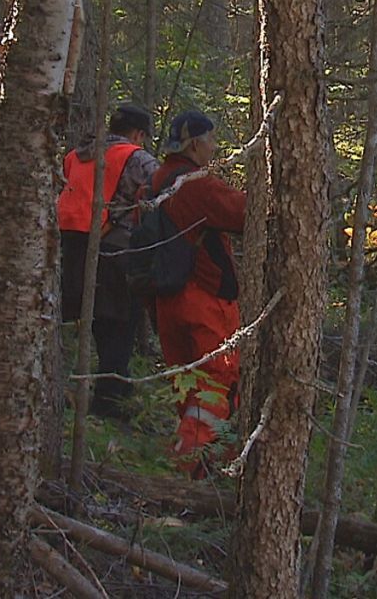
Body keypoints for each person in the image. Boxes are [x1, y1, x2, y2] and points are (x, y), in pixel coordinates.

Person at [149, 110, 246, 479]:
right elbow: (245, 211)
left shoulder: (158, 180)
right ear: (194, 144)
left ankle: (200, 466)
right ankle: (186, 478)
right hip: (203, 302)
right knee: (214, 387)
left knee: (189, 391)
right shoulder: (195, 185)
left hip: (166, 303)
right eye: (210, 141)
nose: (214, 148)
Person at [57, 103, 159, 417]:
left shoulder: (75, 155)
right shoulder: (137, 158)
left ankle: (95, 386)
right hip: (116, 249)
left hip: (72, 246)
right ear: (139, 134)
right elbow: (164, 192)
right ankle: (109, 398)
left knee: (91, 319)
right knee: (121, 322)